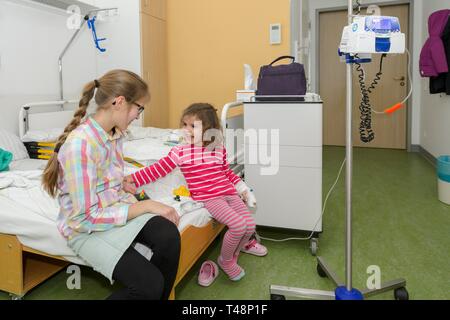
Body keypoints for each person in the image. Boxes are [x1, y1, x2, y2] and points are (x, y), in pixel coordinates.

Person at [42, 69, 181, 300]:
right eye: (139, 108)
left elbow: (107, 180)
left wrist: (122, 185)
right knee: (149, 286)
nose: (138, 115)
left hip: (112, 211)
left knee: (168, 235)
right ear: (119, 102)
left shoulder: (115, 133)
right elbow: (83, 219)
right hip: (86, 229)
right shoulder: (81, 146)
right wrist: (147, 206)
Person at [124, 103, 267, 281]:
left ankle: (235, 252)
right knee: (238, 226)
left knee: (249, 226)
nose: (186, 130)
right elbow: (158, 169)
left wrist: (243, 190)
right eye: (184, 124)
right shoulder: (180, 152)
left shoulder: (218, 149)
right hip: (210, 198)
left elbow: (227, 173)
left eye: (193, 126)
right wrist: (134, 178)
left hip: (229, 192)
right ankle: (226, 261)